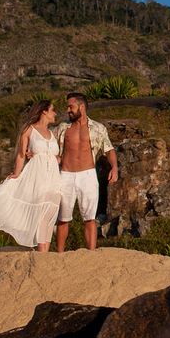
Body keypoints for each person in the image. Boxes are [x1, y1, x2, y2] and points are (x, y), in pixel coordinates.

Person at [0, 100, 61, 251]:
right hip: (37, 176)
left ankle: (45, 252)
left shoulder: (52, 133)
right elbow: (21, 155)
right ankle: (42, 250)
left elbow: (56, 157)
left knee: (51, 212)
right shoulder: (29, 130)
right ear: (44, 111)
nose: (55, 113)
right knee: (41, 211)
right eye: (52, 110)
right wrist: (17, 173)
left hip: (53, 177)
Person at [55, 92, 118, 251]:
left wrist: (115, 168)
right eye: (67, 107)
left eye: (71, 107)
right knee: (63, 218)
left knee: (89, 218)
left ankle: (91, 254)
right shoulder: (63, 128)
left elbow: (109, 149)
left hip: (88, 175)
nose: (68, 110)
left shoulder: (98, 128)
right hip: (65, 175)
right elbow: (50, 147)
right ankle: (59, 254)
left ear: (81, 107)